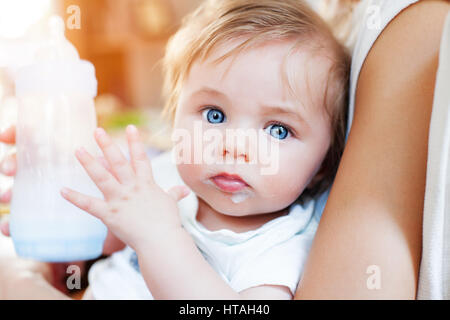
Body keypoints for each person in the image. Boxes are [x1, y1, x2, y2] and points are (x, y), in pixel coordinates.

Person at [1, 0, 449, 300]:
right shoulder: (170, 182)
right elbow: (106, 234)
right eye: (214, 115)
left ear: (321, 166)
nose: (235, 146)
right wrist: (59, 186)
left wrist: (161, 237)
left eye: (277, 129)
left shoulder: (282, 246)